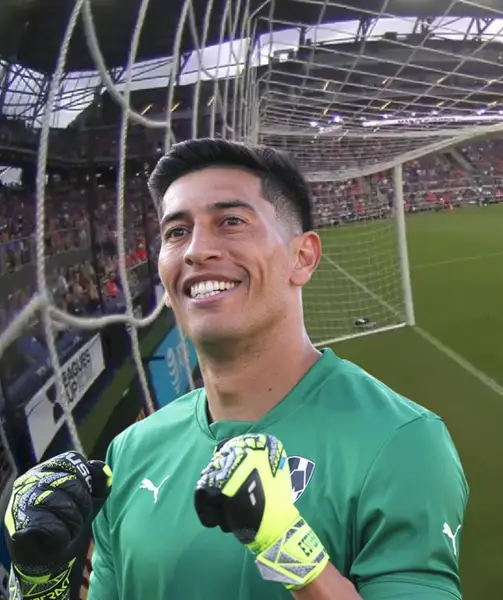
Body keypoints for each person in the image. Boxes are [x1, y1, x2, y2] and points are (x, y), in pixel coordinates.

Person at [3, 139, 468, 600]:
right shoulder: (130, 452)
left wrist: (288, 548)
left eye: (231, 221)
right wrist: (38, 587)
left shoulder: (400, 441)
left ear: (302, 257)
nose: (196, 250)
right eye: (176, 232)